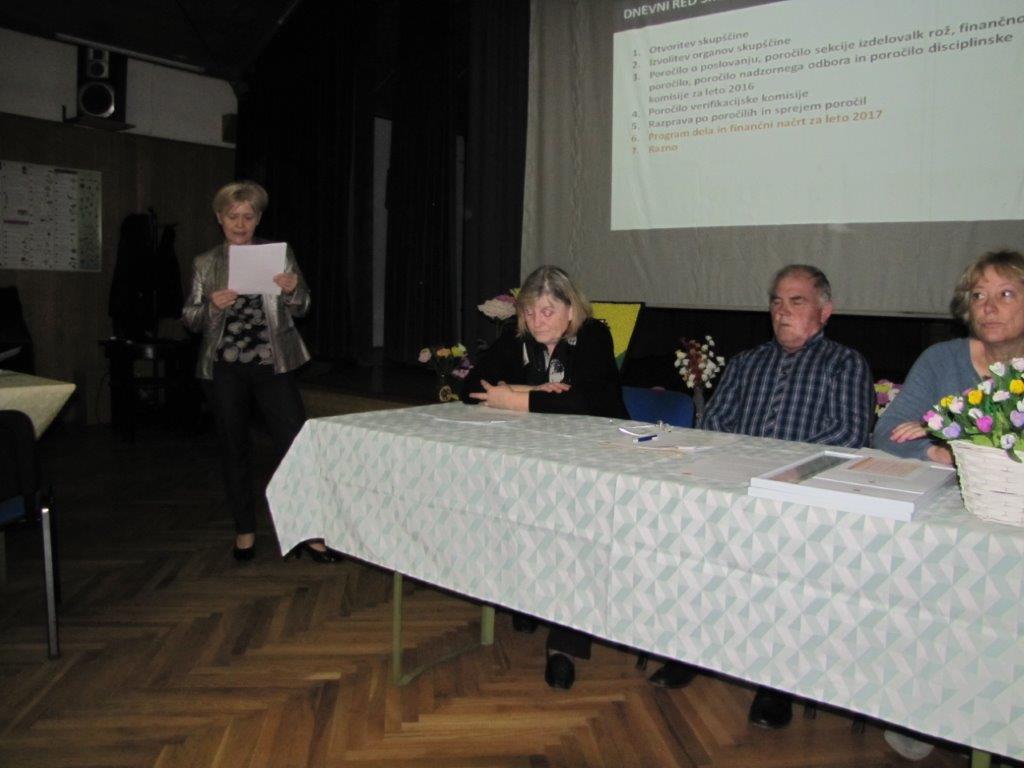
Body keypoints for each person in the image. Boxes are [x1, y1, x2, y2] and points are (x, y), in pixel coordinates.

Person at [648, 264, 873, 731]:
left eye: (796, 301)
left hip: (801, 498)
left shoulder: (845, 364)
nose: (782, 311)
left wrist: (774, 468)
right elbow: (714, 424)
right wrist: (738, 468)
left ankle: (777, 681)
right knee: (694, 547)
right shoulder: (747, 362)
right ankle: (692, 650)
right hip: (735, 488)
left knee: (788, 571)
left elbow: (848, 435)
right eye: (776, 301)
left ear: (825, 311)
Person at [461, 265, 628, 689]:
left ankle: (565, 646)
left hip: (594, 462)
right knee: (511, 511)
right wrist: (536, 393)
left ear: (571, 310)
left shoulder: (593, 337)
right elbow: (471, 389)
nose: (537, 322)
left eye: (548, 311)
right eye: (530, 312)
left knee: (576, 536)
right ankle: (528, 599)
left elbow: (589, 403)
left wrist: (515, 400)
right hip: (534, 461)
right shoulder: (517, 338)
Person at [182, 181, 337, 563]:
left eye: (248, 217)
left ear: (258, 218)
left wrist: (292, 290)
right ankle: (244, 531)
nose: (240, 224)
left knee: (296, 447)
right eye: (232, 216)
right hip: (225, 369)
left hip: (273, 364)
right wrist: (213, 307)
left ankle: (309, 533)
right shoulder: (205, 262)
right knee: (233, 448)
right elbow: (190, 318)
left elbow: (303, 306)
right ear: (219, 218)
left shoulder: (278, 254)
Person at [875, 249, 1024, 464]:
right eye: (978, 296)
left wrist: (952, 436)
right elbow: (888, 430)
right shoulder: (942, 359)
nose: (989, 308)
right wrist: (939, 452)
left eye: (1006, 294)